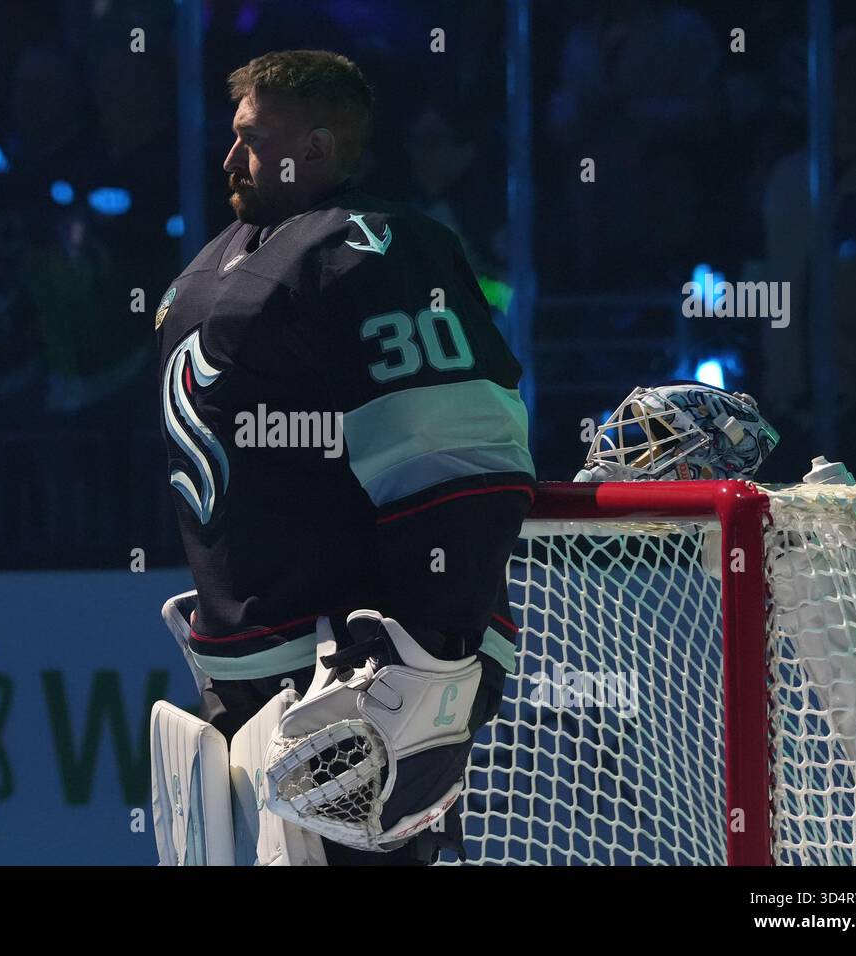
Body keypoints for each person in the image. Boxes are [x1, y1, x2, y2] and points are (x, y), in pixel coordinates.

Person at [151, 50, 534, 865]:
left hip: (354, 681)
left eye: (252, 139)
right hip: (252, 669)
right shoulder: (221, 258)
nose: (228, 158)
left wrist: (433, 662)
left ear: (318, 147)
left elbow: (463, 455)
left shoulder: (380, 250)